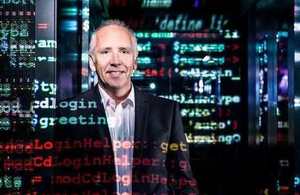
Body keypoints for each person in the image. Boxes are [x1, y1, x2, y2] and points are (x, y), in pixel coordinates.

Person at [54, 19, 199, 194]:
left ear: (135, 62)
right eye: (105, 51)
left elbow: (183, 180)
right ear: (92, 62)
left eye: (124, 51)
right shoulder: (67, 113)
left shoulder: (166, 112)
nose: (116, 61)